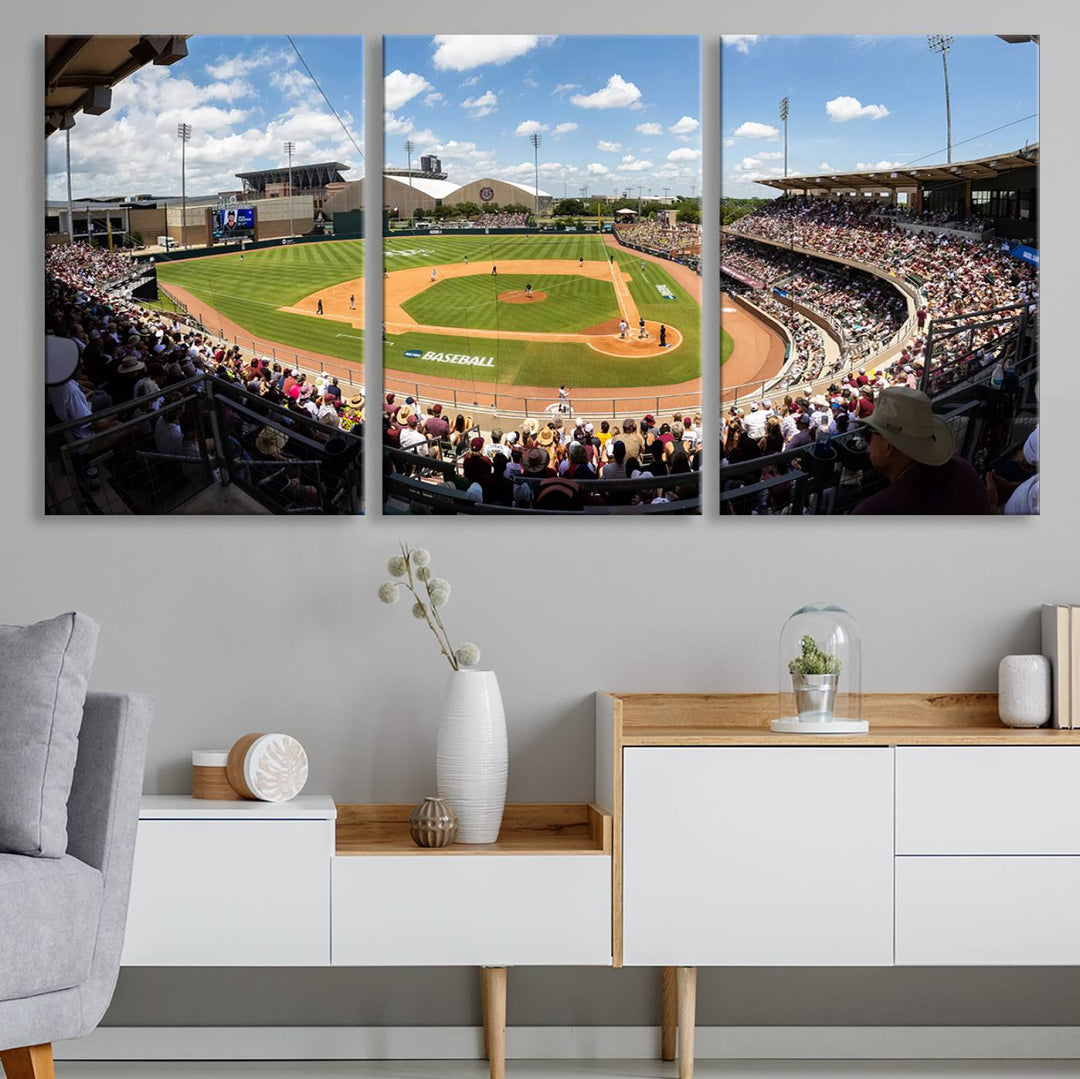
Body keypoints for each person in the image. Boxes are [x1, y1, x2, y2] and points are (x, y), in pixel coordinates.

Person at [853, 388, 989, 515]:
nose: (868, 442)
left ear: (888, 446)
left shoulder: (873, 512)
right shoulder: (963, 469)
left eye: (868, 435)